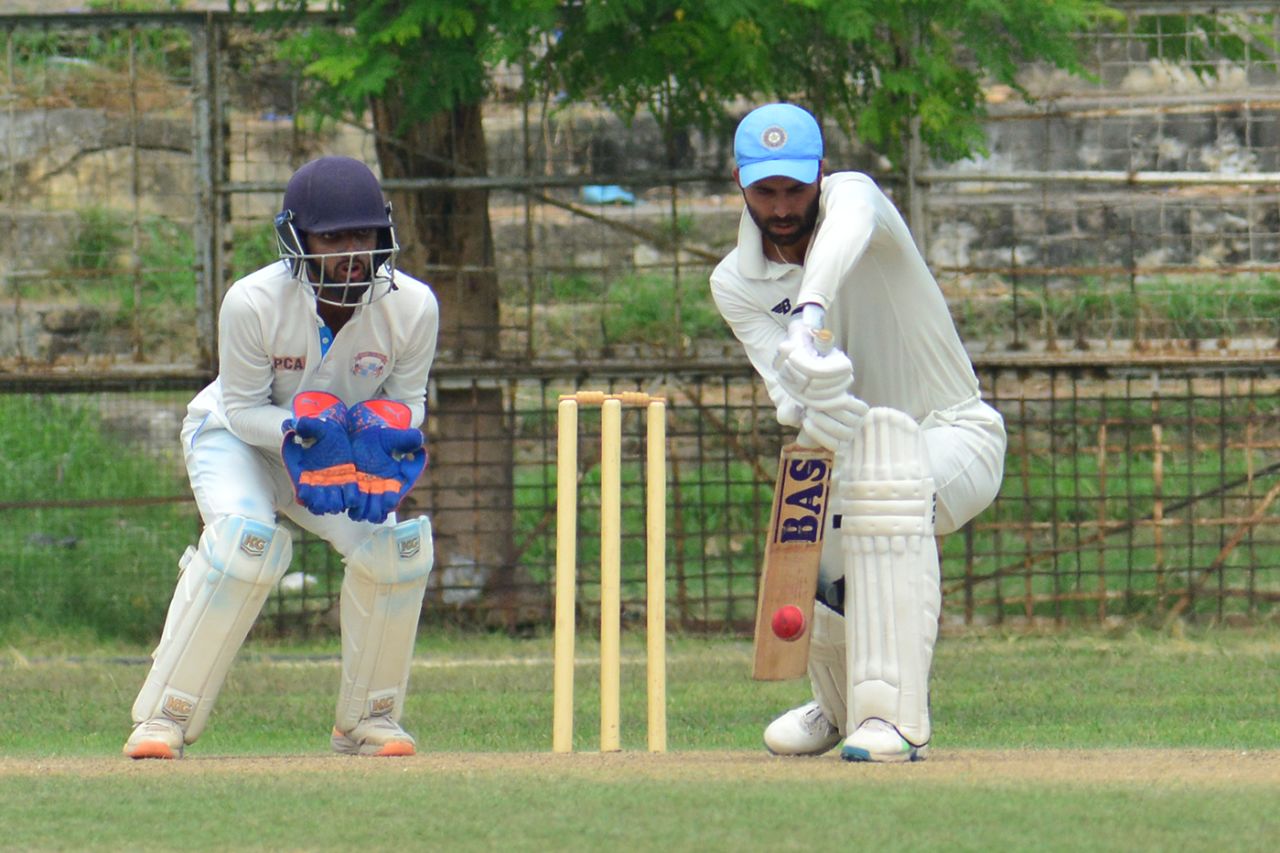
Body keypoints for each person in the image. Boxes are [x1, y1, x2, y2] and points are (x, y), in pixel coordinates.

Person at [710, 104, 1006, 762]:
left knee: (883, 480)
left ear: (820, 173)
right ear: (740, 183)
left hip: (955, 432)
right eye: (766, 191)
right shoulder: (734, 282)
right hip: (855, 458)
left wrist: (808, 312)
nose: (781, 207)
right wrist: (818, 400)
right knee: (815, 516)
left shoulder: (856, 200)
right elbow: (793, 399)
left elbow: (843, 230)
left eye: (795, 189)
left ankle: (893, 716)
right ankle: (839, 705)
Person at [123, 156, 440, 759]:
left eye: (363, 235)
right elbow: (242, 409)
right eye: (332, 238)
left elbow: (409, 402)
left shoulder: (414, 306)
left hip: (333, 452)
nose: (351, 253)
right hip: (238, 441)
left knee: (394, 554)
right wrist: (304, 426)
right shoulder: (252, 301)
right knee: (244, 547)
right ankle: (163, 719)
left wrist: (382, 430)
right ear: (298, 239)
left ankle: (368, 721)